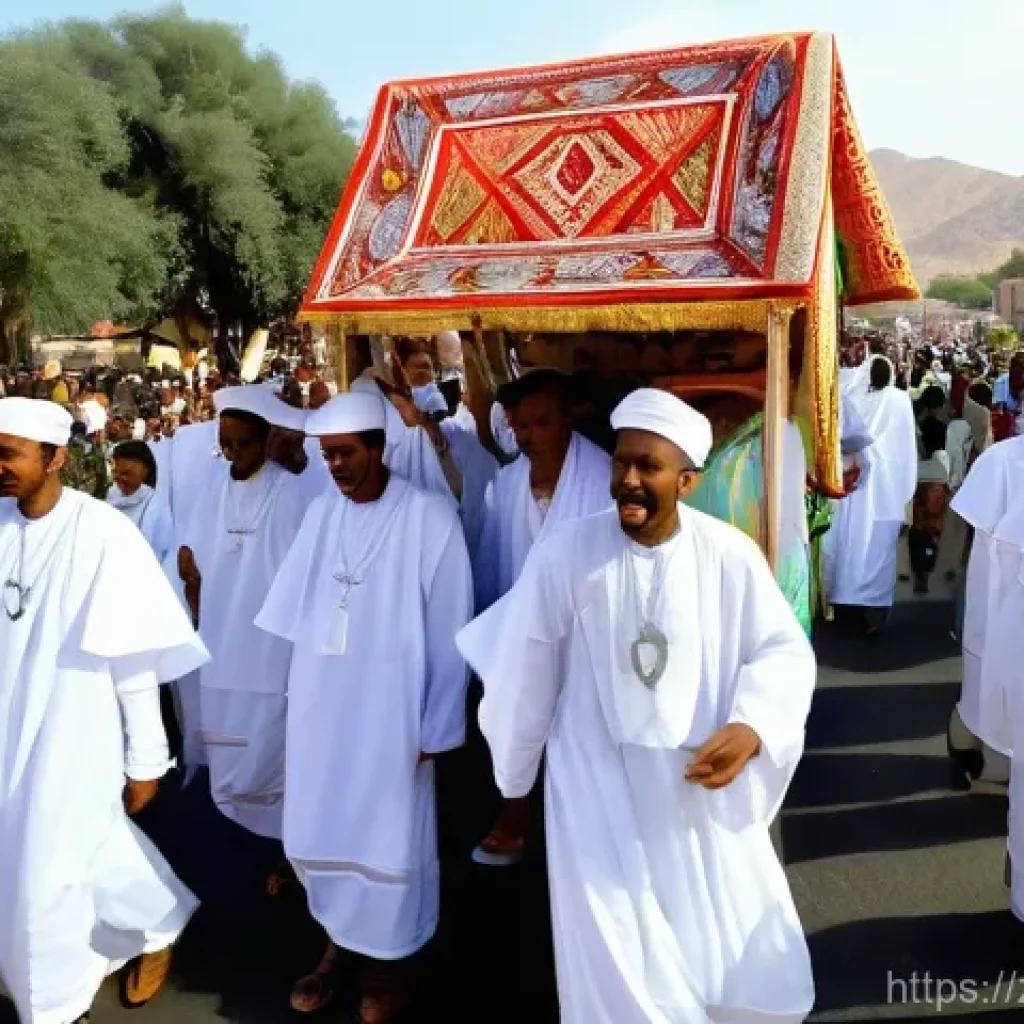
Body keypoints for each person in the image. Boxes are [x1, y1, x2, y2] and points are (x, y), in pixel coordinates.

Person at [456, 388, 816, 1024]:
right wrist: (515, 780)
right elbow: (524, 669)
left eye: (648, 466)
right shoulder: (567, 554)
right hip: (593, 788)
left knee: (711, 946)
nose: (627, 479)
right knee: (613, 956)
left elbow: (782, 651)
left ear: (687, 480)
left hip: (694, 792)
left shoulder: (729, 555)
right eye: (622, 461)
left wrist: (753, 724)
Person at [255, 390, 473, 1021]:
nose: (336, 467)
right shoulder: (324, 513)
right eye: (328, 456)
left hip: (393, 711)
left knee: (387, 833)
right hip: (325, 705)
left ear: (378, 449)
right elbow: (293, 613)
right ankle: (335, 947)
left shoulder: (429, 516)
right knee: (325, 825)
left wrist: (436, 723)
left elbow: (451, 628)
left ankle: (389, 965)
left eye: (346, 454)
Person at [0, 397, 208, 1024]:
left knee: (50, 865)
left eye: (9, 455)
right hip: (9, 721)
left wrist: (146, 760)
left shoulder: (104, 534)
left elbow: (134, 657)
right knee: (52, 851)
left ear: (54, 458)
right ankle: (158, 922)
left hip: (75, 728)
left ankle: (55, 1004)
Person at [469, 368, 613, 866]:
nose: (529, 435)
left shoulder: (603, 478)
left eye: (542, 423)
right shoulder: (507, 484)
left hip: (586, 629)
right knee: (514, 718)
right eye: (522, 426)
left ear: (568, 417)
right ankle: (514, 814)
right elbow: (492, 559)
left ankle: (584, 826)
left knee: (584, 729)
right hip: (523, 626)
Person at [178, 386, 309, 841]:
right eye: (225, 443)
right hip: (220, 633)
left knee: (271, 734)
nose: (233, 452)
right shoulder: (212, 486)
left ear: (265, 439)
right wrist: (194, 593)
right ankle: (231, 818)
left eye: (242, 443)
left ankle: (280, 836)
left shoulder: (291, 491)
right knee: (224, 729)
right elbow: (190, 554)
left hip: (269, 642)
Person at [946, 424, 1024, 783]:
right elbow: (964, 527)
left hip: (997, 614)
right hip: (998, 608)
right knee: (988, 695)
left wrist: (948, 571)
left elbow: (960, 532)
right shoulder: (1001, 461)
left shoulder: (1001, 459)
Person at [823, 356, 917, 634]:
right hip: (886, 490)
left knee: (846, 547)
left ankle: (841, 605)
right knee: (877, 553)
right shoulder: (900, 401)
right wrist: (905, 493)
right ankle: (872, 615)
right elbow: (906, 450)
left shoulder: (848, 397)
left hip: (850, 481)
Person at [108, 440, 175, 564]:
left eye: (126, 473)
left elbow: (161, 553)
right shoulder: (112, 496)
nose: (120, 478)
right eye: (116, 473)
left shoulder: (157, 507)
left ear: (145, 470)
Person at [909, 417, 952, 595]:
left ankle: (919, 574)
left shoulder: (918, 467)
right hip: (935, 519)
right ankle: (926, 572)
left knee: (916, 541)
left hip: (919, 517)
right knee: (931, 542)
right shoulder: (942, 469)